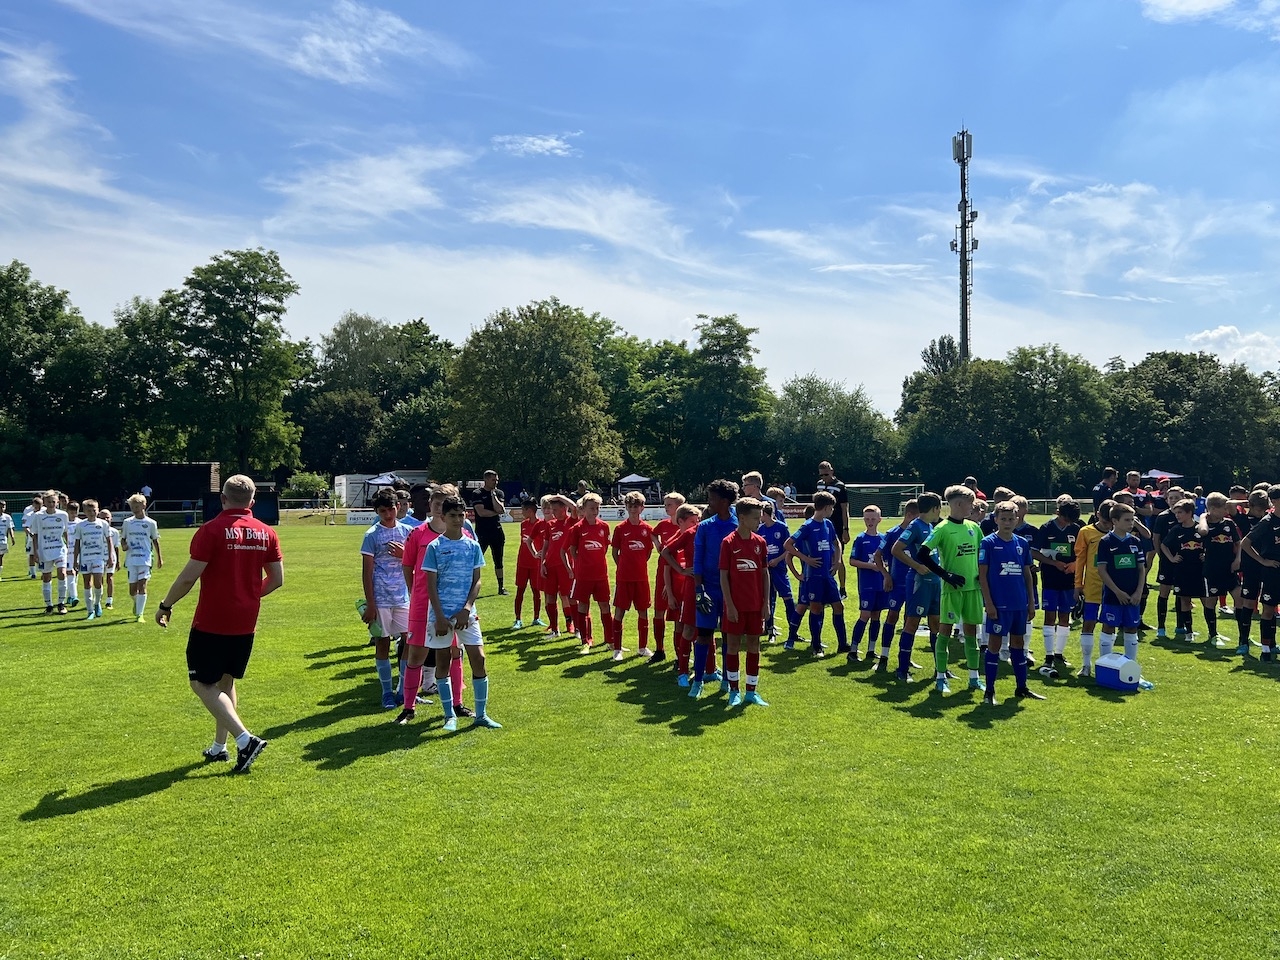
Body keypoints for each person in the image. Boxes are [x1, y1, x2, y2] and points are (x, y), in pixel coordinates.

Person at [155, 475, 283, 774]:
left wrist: (166, 604)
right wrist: (248, 596)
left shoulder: (211, 530)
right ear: (253, 502)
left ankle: (244, 739)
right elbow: (277, 579)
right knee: (226, 683)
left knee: (201, 683)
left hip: (212, 619)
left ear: (222, 499)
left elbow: (188, 577)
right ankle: (219, 747)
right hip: (246, 621)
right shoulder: (267, 532)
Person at [419, 495, 501, 730]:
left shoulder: (472, 545)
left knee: (479, 658)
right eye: (452, 515)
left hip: (467, 614)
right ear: (443, 517)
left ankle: (481, 715)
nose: (457, 519)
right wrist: (439, 617)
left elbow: (477, 581)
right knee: (443, 661)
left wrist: (466, 608)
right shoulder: (435, 547)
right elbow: (430, 585)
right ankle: (449, 715)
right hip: (441, 615)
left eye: (461, 515)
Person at [400, 483, 473, 716]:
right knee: (416, 654)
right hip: (423, 604)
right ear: (431, 505)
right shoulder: (418, 533)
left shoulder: (465, 535)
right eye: (436, 503)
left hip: (453, 605)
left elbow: (472, 571)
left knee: (454, 652)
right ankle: (408, 707)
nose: (440, 507)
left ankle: (457, 704)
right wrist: (414, 591)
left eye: (444, 503)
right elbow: (407, 565)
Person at [978, 501, 1043, 704]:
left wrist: (1030, 602)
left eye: (1011, 519)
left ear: (1017, 519)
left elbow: (1027, 575)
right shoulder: (988, 543)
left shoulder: (1022, 543)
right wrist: (989, 603)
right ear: (996, 520)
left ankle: (1022, 687)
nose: (1007, 522)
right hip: (999, 605)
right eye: (1003, 519)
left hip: (1019, 604)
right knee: (994, 645)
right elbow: (982, 576)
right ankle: (989, 691)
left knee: (1018, 644)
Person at [925, 485, 986, 694]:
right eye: (971, 503)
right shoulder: (942, 528)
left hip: (973, 588)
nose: (973, 507)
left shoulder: (974, 527)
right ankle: (941, 678)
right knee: (945, 632)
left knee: (971, 633)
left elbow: (982, 553)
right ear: (959, 504)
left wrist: (981, 574)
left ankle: (974, 678)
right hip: (952, 590)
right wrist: (945, 575)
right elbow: (922, 554)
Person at [360, 487, 413, 709]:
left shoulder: (409, 531)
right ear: (377, 512)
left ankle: (403, 689)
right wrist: (370, 603)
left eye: (391, 509)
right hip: (381, 597)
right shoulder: (372, 535)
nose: (388, 514)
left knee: (409, 640)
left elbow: (417, 561)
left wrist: (405, 554)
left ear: (398, 507)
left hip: (403, 596)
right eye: (383, 511)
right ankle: (386, 692)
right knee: (382, 642)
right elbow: (367, 571)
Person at [719, 497, 770, 707]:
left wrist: (766, 603)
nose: (759, 521)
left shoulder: (760, 542)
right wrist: (730, 605)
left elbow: (765, 574)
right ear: (742, 518)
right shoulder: (728, 543)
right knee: (732, 645)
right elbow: (723, 576)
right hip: (736, 606)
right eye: (756, 518)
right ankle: (734, 690)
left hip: (756, 605)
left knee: (754, 645)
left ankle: (751, 691)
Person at [784, 490, 847, 659]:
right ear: (826, 508)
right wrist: (806, 559)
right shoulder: (807, 526)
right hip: (813, 576)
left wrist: (837, 561)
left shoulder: (828, 524)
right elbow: (788, 545)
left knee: (839, 606)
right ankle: (816, 646)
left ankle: (843, 644)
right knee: (816, 608)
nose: (832, 511)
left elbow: (837, 543)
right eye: (831, 508)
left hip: (828, 575)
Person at [689, 480, 738, 693]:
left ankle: (727, 680)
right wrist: (699, 590)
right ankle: (698, 681)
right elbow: (698, 559)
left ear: (725, 502)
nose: (709, 502)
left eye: (713, 498)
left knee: (729, 635)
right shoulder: (705, 526)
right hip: (708, 588)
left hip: (731, 591)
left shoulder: (738, 525)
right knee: (703, 635)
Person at [891, 492, 944, 682]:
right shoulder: (915, 526)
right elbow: (896, 549)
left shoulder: (930, 526)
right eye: (940, 508)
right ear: (935, 508)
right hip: (919, 583)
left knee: (936, 624)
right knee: (912, 623)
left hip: (935, 583)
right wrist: (916, 566)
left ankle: (940, 669)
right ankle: (902, 669)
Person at [1096, 501, 1150, 686]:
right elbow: (1102, 570)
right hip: (1113, 596)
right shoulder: (1106, 542)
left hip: (1133, 595)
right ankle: (1105, 668)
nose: (1131, 523)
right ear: (1115, 521)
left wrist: (1138, 592)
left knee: (1131, 628)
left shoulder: (1135, 542)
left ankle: (1131, 669)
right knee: (1108, 628)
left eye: (1132, 519)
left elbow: (1141, 569)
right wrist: (1117, 591)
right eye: (1127, 520)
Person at [1033, 496, 1081, 671]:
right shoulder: (1046, 528)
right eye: (1065, 519)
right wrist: (1053, 563)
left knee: (1065, 617)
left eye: (1071, 521)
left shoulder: (1076, 529)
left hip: (1069, 580)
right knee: (1049, 616)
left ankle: (1059, 654)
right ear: (1058, 513)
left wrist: (1075, 564)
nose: (1068, 523)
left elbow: (1083, 553)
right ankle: (1048, 656)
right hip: (1050, 579)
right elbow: (1034, 552)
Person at [658, 504, 701, 685]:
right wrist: (670, 589)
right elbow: (666, 568)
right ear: (681, 521)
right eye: (692, 521)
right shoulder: (676, 539)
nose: (696, 524)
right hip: (678, 590)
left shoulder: (697, 536)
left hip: (692, 589)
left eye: (698, 520)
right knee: (680, 626)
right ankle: (680, 659)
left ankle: (698, 661)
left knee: (695, 627)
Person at [873, 500, 918, 672]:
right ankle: (883, 656)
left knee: (910, 620)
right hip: (897, 584)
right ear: (909, 515)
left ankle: (906, 656)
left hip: (915, 583)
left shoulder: (920, 533)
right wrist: (886, 575)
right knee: (892, 616)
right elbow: (877, 555)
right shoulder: (892, 534)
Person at [611, 490, 655, 660]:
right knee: (619, 612)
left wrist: (638, 565)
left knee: (643, 611)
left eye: (636, 506)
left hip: (641, 578)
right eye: (630, 505)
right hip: (624, 578)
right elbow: (615, 552)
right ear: (626, 507)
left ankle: (642, 647)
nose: (633, 509)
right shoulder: (620, 528)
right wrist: (623, 566)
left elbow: (648, 552)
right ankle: (617, 649)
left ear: (642, 507)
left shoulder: (647, 529)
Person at [1074, 500, 1114, 677]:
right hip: (1092, 586)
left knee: (1109, 624)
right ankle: (1086, 665)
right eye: (1105, 522)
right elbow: (1080, 560)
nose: (1107, 526)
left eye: (1110, 522)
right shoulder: (1086, 532)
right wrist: (1078, 585)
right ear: (1098, 515)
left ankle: (1105, 665)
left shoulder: (1120, 533)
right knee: (1088, 623)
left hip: (1113, 587)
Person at [569, 493, 613, 653]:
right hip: (584, 575)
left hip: (601, 574)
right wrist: (582, 564)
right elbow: (573, 550)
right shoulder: (577, 528)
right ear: (584, 509)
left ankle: (610, 640)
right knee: (583, 605)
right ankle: (586, 641)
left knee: (605, 605)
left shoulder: (604, 526)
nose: (595, 511)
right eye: (592, 508)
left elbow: (605, 547)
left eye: (597, 508)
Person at [1240, 485, 1280, 662]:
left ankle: (1273, 644)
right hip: (1272, 571)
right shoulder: (1267, 522)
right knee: (1268, 609)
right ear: (1275, 501)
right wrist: (1263, 561)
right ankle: (1265, 650)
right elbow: (1245, 543)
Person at [1161, 498, 1210, 640]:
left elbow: (1210, 544)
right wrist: (1171, 558)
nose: (1177, 515)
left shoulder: (1199, 529)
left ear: (1189, 513)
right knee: (1185, 600)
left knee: (1206, 601)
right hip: (1182, 570)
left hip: (1199, 570)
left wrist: (1206, 555)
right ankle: (1189, 632)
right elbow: (1164, 545)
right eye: (1176, 513)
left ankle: (1212, 632)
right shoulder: (1176, 529)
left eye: (1180, 512)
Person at [1199, 492, 1241, 648]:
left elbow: (1238, 543)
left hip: (1229, 568)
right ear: (1212, 509)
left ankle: (1243, 636)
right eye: (1224, 507)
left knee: (1239, 598)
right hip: (1212, 570)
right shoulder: (1204, 524)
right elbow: (1203, 532)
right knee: (1212, 601)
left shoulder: (1229, 524)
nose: (1227, 510)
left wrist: (1237, 559)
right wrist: (1203, 517)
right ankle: (1213, 634)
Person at [847, 505, 890, 661]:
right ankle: (853, 650)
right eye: (867, 519)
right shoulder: (860, 539)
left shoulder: (883, 539)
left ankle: (871, 649)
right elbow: (852, 561)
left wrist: (885, 568)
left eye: (872, 519)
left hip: (880, 583)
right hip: (867, 584)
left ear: (879, 519)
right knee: (864, 615)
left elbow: (887, 559)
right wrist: (871, 566)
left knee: (876, 615)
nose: (870, 522)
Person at [650, 492, 686, 661]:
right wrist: (657, 544)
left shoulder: (684, 527)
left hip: (679, 576)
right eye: (665, 505)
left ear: (680, 506)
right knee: (659, 611)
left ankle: (680, 656)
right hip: (662, 572)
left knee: (679, 616)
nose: (666, 507)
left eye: (669, 504)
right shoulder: (663, 525)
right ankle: (659, 649)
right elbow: (653, 533)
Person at [759, 499, 801, 646]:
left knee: (788, 598)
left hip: (780, 569)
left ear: (765, 514)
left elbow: (789, 548)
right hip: (766, 571)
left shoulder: (782, 527)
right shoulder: (760, 530)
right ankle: (770, 630)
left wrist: (777, 560)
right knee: (769, 600)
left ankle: (793, 632)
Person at [1234, 490, 1271, 655]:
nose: (1261, 513)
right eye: (1258, 509)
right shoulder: (1243, 519)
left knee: (1269, 604)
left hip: (1268, 565)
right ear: (1251, 506)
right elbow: (1228, 505)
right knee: (1248, 602)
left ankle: (1270, 642)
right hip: (1250, 565)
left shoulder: (1268, 520)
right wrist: (1244, 503)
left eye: (1264, 510)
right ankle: (1243, 641)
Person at [120, 493, 162, 622]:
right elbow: (123, 539)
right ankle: (136, 602)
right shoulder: (127, 522)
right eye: (132, 507)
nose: (134, 509)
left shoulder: (151, 523)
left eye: (137, 506)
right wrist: (124, 546)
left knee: (142, 585)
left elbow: (155, 540)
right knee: (132, 590)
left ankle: (140, 614)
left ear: (144, 505)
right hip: (131, 559)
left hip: (145, 559)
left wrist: (160, 558)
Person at [31, 490, 70, 614]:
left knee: (62, 573)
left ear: (57, 502)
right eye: (49, 502)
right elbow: (35, 535)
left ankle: (61, 603)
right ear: (44, 502)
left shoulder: (63, 515)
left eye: (54, 502)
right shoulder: (38, 516)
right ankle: (49, 605)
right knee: (46, 577)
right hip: (44, 550)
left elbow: (66, 532)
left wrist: (69, 546)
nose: (51, 504)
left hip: (59, 549)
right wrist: (35, 552)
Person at [815, 461, 851, 597]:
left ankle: (842, 588)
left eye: (826, 474)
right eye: (821, 475)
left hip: (836, 525)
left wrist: (846, 529)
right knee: (823, 555)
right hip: (821, 525)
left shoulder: (840, 486)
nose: (824, 477)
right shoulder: (819, 485)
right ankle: (826, 587)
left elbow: (844, 509)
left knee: (838, 556)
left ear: (832, 471)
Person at [512, 497, 547, 629]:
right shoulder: (523, 524)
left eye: (523, 510)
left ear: (530, 511)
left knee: (536, 591)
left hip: (535, 564)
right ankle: (518, 619)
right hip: (522, 562)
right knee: (520, 590)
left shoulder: (542, 524)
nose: (522, 512)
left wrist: (539, 555)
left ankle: (536, 618)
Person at [471, 470, 508, 595]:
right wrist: (495, 512)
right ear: (486, 480)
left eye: (496, 480)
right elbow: (481, 512)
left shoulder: (499, 493)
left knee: (499, 560)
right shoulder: (477, 493)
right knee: (476, 560)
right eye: (493, 480)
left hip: (496, 531)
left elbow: (501, 509)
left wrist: (493, 496)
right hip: (482, 532)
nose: (495, 482)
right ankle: (471, 586)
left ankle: (501, 587)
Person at [74, 500, 111, 620]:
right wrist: (75, 560)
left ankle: (97, 603)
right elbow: (77, 543)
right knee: (86, 583)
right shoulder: (80, 525)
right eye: (89, 511)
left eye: (94, 510)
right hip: (85, 558)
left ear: (98, 510)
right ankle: (90, 610)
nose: (92, 513)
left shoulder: (103, 524)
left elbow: (109, 541)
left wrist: (110, 557)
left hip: (98, 558)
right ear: (84, 512)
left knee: (98, 582)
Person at [100, 509, 119, 609]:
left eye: (107, 517)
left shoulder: (115, 532)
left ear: (111, 518)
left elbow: (116, 547)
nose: (106, 519)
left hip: (110, 557)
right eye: (103, 518)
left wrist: (118, 561)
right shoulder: (96, 531)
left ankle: (109, 601)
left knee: (110, 578)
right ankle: (98, 599)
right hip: (99, 557)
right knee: (99, 579)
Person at [0, 500, 13, 580]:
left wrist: (12, 538)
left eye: (3, 507)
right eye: (0, 507)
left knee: (0, 557)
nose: (2, 509)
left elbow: (10, 528)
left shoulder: (7, 517)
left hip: (3, 541)